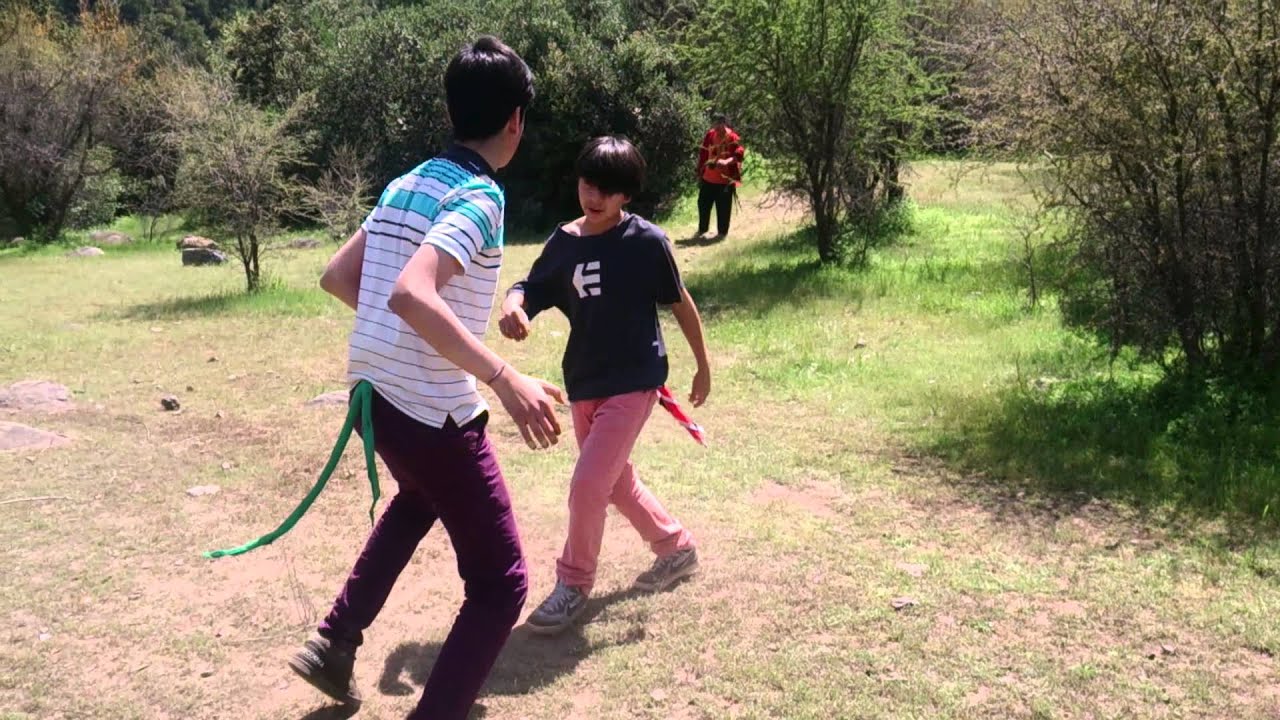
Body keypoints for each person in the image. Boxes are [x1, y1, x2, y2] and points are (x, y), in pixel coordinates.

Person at [288, 36, 565, 719]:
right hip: (433, 414)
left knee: (417, 501)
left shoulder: (405, 183)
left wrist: (404, 334)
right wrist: (503, 376)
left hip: (376, 401)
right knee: (501, 585)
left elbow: (340, 277)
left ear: (450, 109)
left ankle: (335, 642)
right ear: (516, 122)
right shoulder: (480, 196)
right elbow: (413, 293)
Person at [499, 136, 712, 636]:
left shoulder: (646, 243)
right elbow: (530, 288)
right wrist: (513, 307)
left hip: (635, 380)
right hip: (585, 381)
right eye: (587, 183)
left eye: (607, 189)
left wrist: (702, 364)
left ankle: (573, 586)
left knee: (588, 484)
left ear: (626, 196)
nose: (593, 195)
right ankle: (676, 549)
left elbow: (679, 301)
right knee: (615, 483)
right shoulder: (565, 242)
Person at [695, 113, 745, 240]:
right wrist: (699, 172)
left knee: (723, 208)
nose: (715, 128)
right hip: (708, 178)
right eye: (714, 125)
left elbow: (739, 153)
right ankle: (702, 229)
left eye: (718, 125)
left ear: (723, 123)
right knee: (703, 203)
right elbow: (703, 154)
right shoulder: (710, 135)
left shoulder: (732, 137)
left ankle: (722, 234)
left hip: (724, 181)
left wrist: (727, 161)